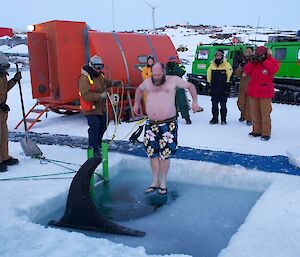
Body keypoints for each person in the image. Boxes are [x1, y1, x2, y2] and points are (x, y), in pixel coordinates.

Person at [133, 63, 200, 195]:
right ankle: (155, 181)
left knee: (165, 155)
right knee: (152, 154)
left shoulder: (173, 80)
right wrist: (136, 103)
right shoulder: (148, 81)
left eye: (159, 74)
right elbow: (139, 90)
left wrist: (195, 101)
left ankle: (163, 182)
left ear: (163, 72)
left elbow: (190, 86)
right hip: (151, 124)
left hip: (168, 124)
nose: (156, 77)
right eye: (154, 74)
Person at [78, 55, 122, 157]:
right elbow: (86, 95)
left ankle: (97, 143)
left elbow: (105, 82)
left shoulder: (99, 75)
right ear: (92, 65)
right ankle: (93, 147)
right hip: (90, 108)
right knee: (95, 126)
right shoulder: (84, 78)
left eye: (100, 66)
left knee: (104, 124)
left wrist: (114, 83)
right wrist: (100, 96)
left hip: (100, 107)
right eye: (97, 67)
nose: (99, 69)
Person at [243, 46, 280, 141]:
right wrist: (251, 62)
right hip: (253, 91)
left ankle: (266, 132)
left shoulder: (271, 61)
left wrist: (264, 61)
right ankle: (256, 130)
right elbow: (246, 72)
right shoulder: (254, 63)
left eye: (261, 54)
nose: (259, 56)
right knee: (254, 113)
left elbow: (274, 70)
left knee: (265, 114)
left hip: (265, 92)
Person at [0, 51, 21, 173]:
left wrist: (14, 80)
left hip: (2, 112)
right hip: (1, 108)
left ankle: (4, 157)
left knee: (3, 135)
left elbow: (5, 89)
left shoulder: (2, 76)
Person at [207, 49, 233, 125]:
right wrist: (208, 85)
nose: (218, 56)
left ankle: (223, 119)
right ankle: (215, 118)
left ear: (222, 55)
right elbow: (209, 75)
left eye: (219, 54)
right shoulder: (212, 65)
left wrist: (228, 85)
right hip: (214, 88)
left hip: (223, 88)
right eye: (216, 54)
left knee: (223, 105)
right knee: (214, 105)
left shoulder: (226, 64)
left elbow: (230, 75)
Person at [166, 56, 193, 124]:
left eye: (174, 60)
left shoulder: (181, 66)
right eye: (171, 60)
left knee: (182, 103)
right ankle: (173, 117)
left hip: (179, 87)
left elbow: (181, 72)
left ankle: (187, 118)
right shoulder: (166, 67)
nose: (172, 61)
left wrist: (175, 66)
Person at [235, 48, 253, 125]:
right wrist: (241, 67)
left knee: (249, 104)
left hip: (251, 86)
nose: (247, 57)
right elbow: (237, 74)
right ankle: (243, 115)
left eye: (249, 55)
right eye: (246, 55)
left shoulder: (254, 63)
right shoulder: (243, 63)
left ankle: (249, 118)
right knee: (240, 103)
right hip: (242, 87)